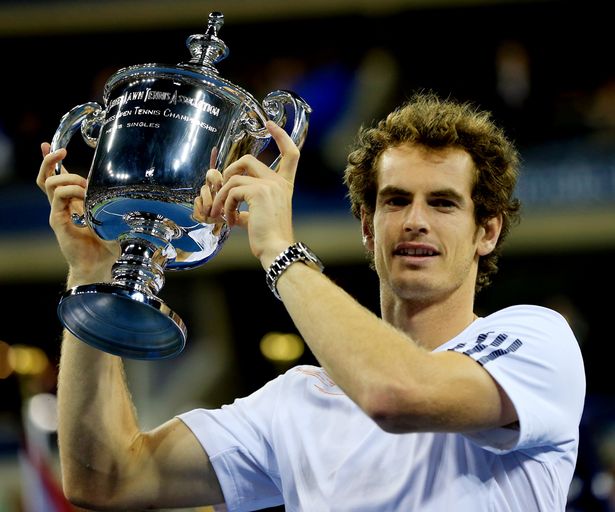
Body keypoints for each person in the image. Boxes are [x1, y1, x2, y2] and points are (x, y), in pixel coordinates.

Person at [36, 91, 585, 511]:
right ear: (368, 228)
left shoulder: (534, 341)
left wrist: (279, 249)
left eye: (442, 203)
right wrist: (91, 275)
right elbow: (104, 477)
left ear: (487, 232)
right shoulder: (297, 402)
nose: (415, 220)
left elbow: (396, 394)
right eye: (396, 201)